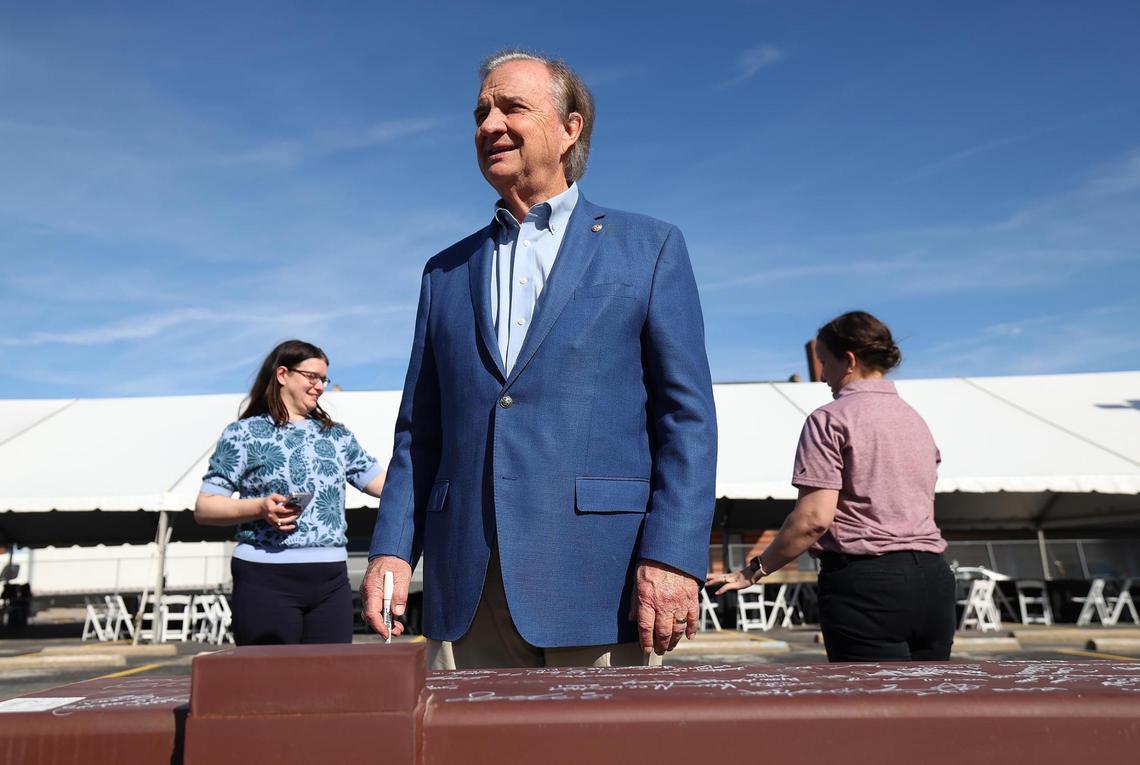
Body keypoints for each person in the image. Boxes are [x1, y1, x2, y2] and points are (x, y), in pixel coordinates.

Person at [361, 49, 718, 669]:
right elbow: (420, 432)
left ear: (570, 128)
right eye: (481, 112)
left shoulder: (649, 247)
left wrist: (673, 555)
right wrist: (392, 548)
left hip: (602, 580)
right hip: (470, 582)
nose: (490, 124)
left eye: (511, 107)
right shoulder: (444, 272)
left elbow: (685, 418)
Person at [708, 311, 955, 661]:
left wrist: (754, 571)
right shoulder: (917, 422)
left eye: (825, 362)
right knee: (930, 706)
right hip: (934, 580)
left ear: (849, 360)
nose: (823, 376)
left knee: (875, 710)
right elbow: (923, 509)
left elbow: (813, 519)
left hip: (867, 585)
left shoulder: (830, 419)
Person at [195, 339, 385, 645]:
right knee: (269, 683)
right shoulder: (242, 434)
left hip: (331, 578)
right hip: (263, 577)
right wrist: (259, 508)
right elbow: (205, 508)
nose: (320, 386)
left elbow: (384, 485)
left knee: (331, 681)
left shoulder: (337, 436)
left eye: (324, 379)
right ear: (282, 374)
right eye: (312, 377)